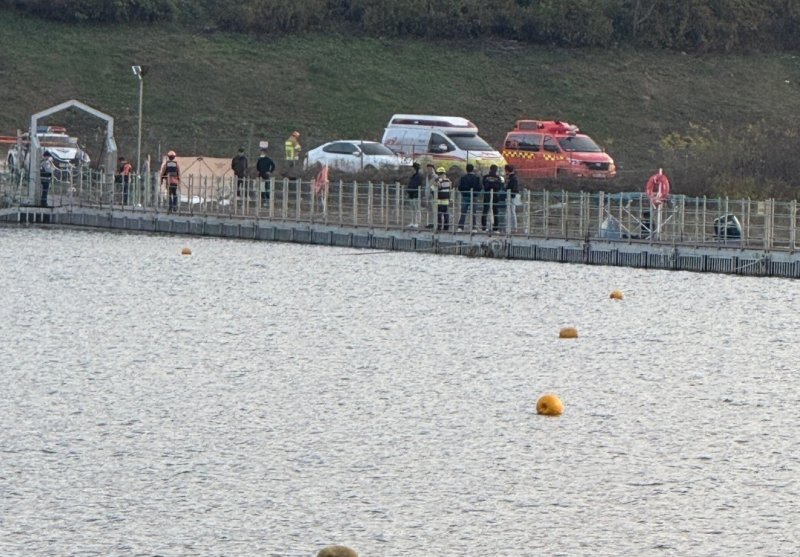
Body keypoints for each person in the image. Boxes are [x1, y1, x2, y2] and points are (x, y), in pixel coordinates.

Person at [457, 163, 481, 231]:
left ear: (466, 169)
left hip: (465, 196)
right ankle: (474, 227)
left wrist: (464, 192)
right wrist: (475, 193)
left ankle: (460, 227)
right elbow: (479, 187)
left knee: (463, 212)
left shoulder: (463, 178)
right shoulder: (476, 178)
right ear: (473, 169)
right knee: (474, 212)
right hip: (474, 196)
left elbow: (460, 187)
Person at [481, 164, 504, 233]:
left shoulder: (485, 177)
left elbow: (485, 185)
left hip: (487, 195)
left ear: (490, 169)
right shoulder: (498, 178)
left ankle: (484, 228)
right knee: (495, 212)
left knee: (485, 211)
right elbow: (500, 186)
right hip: (495, 195)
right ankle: (495, 228)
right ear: (496, 170)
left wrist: (489, 186)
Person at [432, 166, 452, 231]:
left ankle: (439, 227)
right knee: (446, 214)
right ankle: (446, 227)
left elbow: (436, 188)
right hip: (446, 200)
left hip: (440, 200)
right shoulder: (449, 181)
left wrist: (435, 182)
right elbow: (450, 189)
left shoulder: (439, 180)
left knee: (439, 215)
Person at [504, 164, 521, 231]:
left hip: (511, 196)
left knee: (511, 211)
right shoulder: (514, 177)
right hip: (513, 195)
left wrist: (506, 189)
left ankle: (512, 227)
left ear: (507, 170)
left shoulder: (512, 178)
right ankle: (513, 227)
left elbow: (510, 187)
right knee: (512, 211)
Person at [406, 162, 423, 228]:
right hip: (412, 194)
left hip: (416, 194)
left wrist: (411, 191)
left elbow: (416, 185)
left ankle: (417, 222)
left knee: (417, 209)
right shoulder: (414, 176)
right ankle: (413, 222)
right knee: (413, 209)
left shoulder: (418, 176)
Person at [424, 163, 437, 228]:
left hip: (433, 196)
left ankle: (435, 223)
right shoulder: (427, 176)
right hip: (428, 195)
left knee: (434, 210)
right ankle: (430, 223)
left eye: (430, 168)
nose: (429, 170)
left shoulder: (435, 177)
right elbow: (427, 186)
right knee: (429, 210)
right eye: (428, 168)